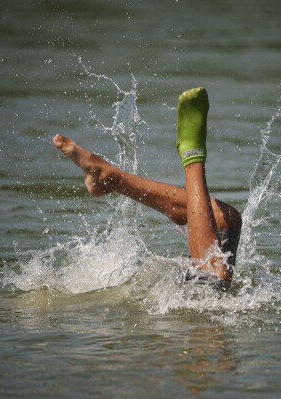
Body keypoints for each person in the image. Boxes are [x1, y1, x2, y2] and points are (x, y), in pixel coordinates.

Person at [52, 87, 242, 290]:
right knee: (224, 219)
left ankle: (192, 157)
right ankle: (112, 178)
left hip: (188, 317)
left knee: (212, 277)